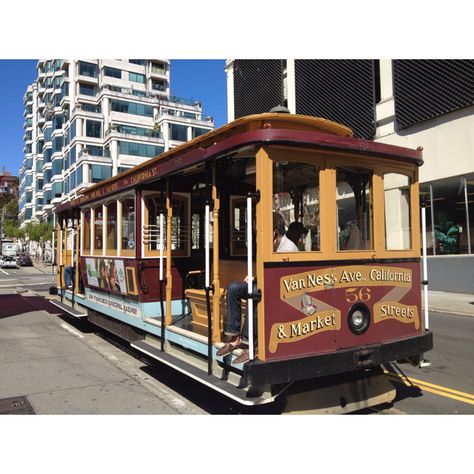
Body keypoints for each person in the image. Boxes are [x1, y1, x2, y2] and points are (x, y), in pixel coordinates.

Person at [217, 211, 298, 364]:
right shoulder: (271, 245)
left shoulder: (289, 249)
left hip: (281, 291)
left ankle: (248, 343)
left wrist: (258, 280)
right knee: (234, 287)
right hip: (265, 283)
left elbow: (280, 278)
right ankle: (235, 338)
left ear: (274, 232)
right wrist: (255, 277)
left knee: (254, 292)